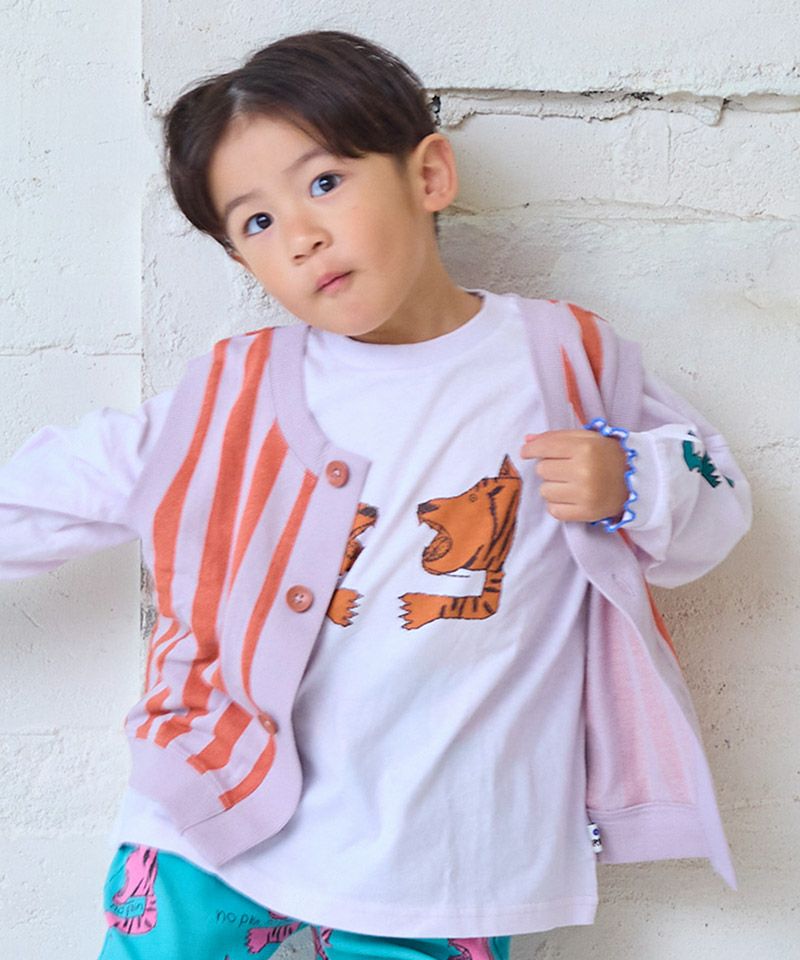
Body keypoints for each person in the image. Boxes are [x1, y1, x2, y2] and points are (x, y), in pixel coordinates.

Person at [0, 29, 751, 960]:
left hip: (448, 856)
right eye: (256, 223)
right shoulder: (233, 394)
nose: (301, 235)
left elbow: (715, 508)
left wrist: (631, 480)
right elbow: (59, 487)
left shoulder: (563, 359)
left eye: (324, 183)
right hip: (220, 817)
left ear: (429, 175)